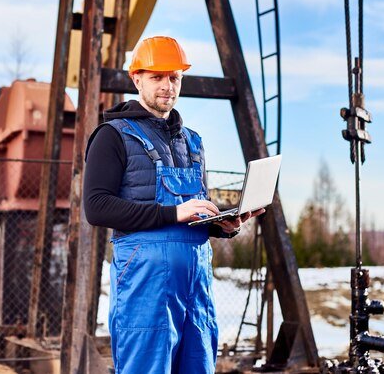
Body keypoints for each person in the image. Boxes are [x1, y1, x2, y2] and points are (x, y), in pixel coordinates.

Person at [83, 36, 264, 374]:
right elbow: (96, 207)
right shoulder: (113, 135)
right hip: (144, 283)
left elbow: (195, 211)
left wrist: (223, 225)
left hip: (195, 282)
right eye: (157, 77)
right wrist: (172, 213)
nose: (168, 86)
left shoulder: (192, 142)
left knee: (199, 365)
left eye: (175, 77)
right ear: (136, 79)